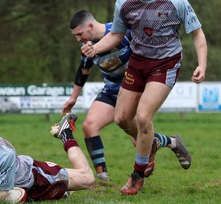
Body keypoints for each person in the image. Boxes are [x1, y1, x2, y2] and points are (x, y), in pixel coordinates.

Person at [82, 0, 206, 195]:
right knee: (121, 118)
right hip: (138, 63)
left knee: (143, 117)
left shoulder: (176, 3)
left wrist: (202, 64)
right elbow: (116, 34)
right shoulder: (123, 4)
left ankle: (137, 175)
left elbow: (197, 33)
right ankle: (155, 142)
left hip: (166, 63)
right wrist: (95, 49)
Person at [64, 10, 188, 182]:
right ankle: (103, 179)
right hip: (112, 91)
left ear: (90, 26)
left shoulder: (122, 33)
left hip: (134, 89)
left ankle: (172, 143)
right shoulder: (87, 47)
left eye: (79, 34)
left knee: (138, 139)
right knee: (89, 126)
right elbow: (84, 70)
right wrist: (73, 98)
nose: (78, 39)